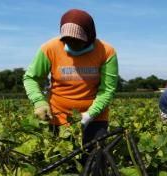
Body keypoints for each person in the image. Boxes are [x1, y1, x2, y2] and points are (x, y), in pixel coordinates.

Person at [23, 9, 118, 146]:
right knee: (64, 162)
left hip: (95, 118)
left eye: (78, 40)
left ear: (89, 36)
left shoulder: (106, 51)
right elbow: (31, 78)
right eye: (67, 40)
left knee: (95, 160)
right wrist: (39, 102)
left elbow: (107, 89)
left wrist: (90, 115)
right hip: (59, 117)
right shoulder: (50, 48)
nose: (72, 43)